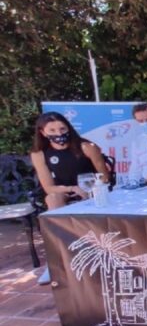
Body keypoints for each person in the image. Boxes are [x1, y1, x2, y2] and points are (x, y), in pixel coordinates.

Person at [30, 111, 110, 284]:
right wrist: (72, 188)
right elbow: (48, 187)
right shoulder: (40, 154)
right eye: (52, 130)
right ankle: (55, 262)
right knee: (53, 198)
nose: (58, 134)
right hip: (64, 191)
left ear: (69, 128)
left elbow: (104, 176)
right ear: (43, 132)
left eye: (62, 129)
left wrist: (91, 188)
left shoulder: (86, 147)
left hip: (92, 190)